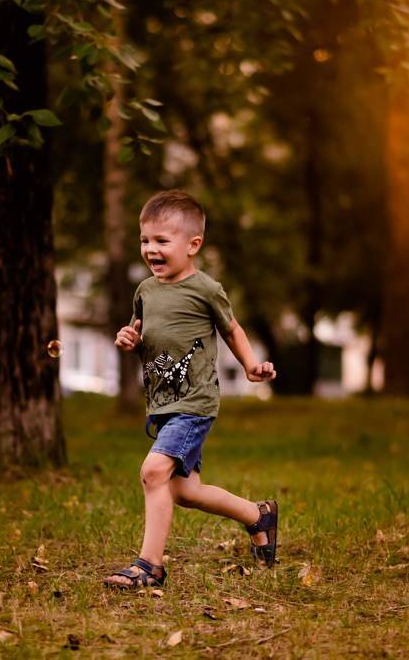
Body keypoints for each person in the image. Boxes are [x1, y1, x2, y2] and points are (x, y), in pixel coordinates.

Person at [104, 189, 279, 590]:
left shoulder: (205, 289)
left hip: (194, 403)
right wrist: (129, 338)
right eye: (145, 240)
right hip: (162, 403)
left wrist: (251, 366)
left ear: (192, 244)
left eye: (162, 241)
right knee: (184, 491)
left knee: (153, 471)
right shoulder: (146, 290)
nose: (151, 249)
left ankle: (150, 566)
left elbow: (231, 329)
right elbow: (142, 331)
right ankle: (257, 515)